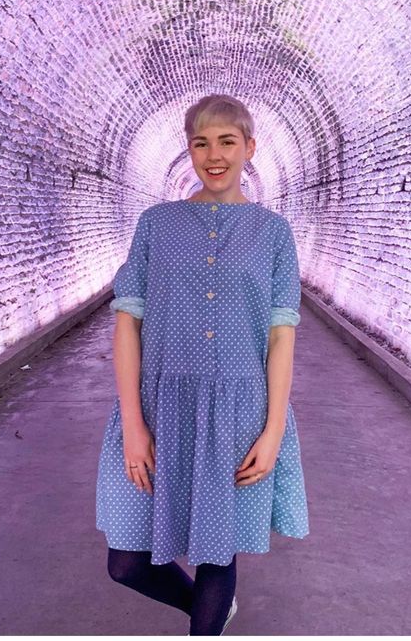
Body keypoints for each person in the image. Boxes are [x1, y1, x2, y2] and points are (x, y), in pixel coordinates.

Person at [95, 95, 309, 635]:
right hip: (157, 407)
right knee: (126, 562)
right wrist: (133, 426)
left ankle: (209, 619)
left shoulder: (274, 233)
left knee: (218, 554)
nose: (214, 155)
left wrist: (274, 430)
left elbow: (282, 337)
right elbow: (128, 324)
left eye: (227, 142)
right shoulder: (156, 225)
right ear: (189, 150)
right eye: (201, 143)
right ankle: (209, 609)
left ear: (249, 148)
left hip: (239, 413)